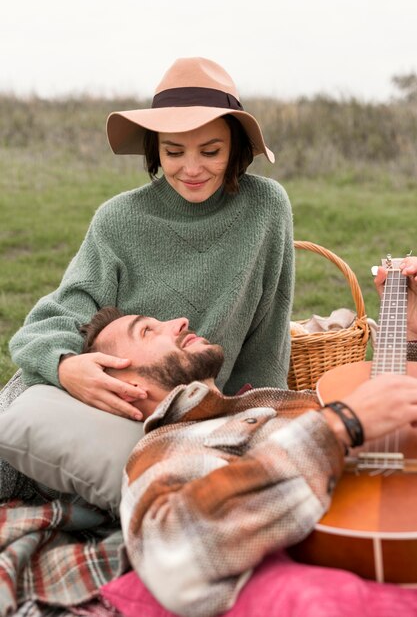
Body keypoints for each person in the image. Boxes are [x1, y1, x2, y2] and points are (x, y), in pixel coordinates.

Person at [79, 292, 417, 617]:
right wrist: (341, 425)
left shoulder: (263, 404)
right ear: (126, 387)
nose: (180, 321)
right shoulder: (167, 444)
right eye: (147, 330)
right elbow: (175, 554)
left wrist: (411, 336)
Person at [7, 57, 294, 421]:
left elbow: (268, 334)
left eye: (210, 151)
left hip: (199, 409)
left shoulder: (266, 206)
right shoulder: (118, 219)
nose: (191, 169)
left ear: (235, 148)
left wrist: (257, 413)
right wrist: (64, 367)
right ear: (154, 148)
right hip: (113, 402)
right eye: (173, 152)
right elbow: (57, 317)